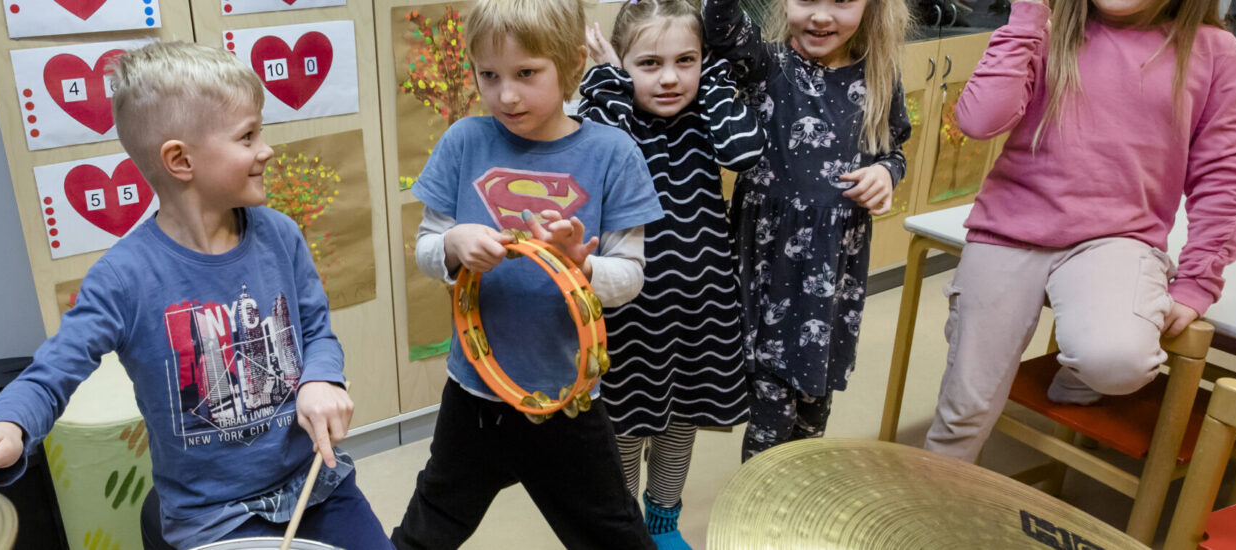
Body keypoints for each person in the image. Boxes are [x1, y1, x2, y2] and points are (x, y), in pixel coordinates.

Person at [0, 41, 392, 550]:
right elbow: (50, 376)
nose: (266, 148)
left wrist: (321, 379)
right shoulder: (122, 278)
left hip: (316, 486)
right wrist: (8, 425)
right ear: (180, 160)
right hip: (211, 518)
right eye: (247, 136)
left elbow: (315, 333)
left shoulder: (281, 236)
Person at [923, 0, 1236, 461]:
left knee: (1117, 361)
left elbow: (1226, 178)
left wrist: (1199, 278)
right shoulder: (1046, 32)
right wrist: (1025, 20)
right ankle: (928, 499)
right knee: (964, 407)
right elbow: (979, 123)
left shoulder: (1220, 54)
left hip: (1118, 237)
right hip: (1008, 229)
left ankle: (1079, 376)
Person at [390, 0, 667, 547]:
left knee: (612, 532)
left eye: (526, 74)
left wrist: (580, 263)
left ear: (570, 63)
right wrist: (452, 244)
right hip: (475, 395)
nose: (506, 95)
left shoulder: (613, 153)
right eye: (488, 75)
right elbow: (425, 246)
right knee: (431, 524)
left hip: (566, 398)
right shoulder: (464, 141)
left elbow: (630, 278)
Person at [578, 0, 764, 546]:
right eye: (648, 64)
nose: (669, 78)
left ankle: (663, 522)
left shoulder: (708, 111)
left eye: (686, 60)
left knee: (683, 425)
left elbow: (745, 150)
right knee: (627, 433)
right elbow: (604, 144)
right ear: (620, 66)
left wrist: (708, 79)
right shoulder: (612, 113)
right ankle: (627, 528)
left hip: (701, 315)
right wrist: (610, 78)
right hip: (632, 320)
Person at [703, 0, 912, 461]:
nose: (820, 17)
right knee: (771, 417)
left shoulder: (878, 74)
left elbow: (893, 150)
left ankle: (792, 513)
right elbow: (719, 23)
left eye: (840, 1)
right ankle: (755, 525)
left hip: (832, 278)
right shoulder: (765, 63)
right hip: (771, 274)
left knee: (813, 416)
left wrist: (886, 174)